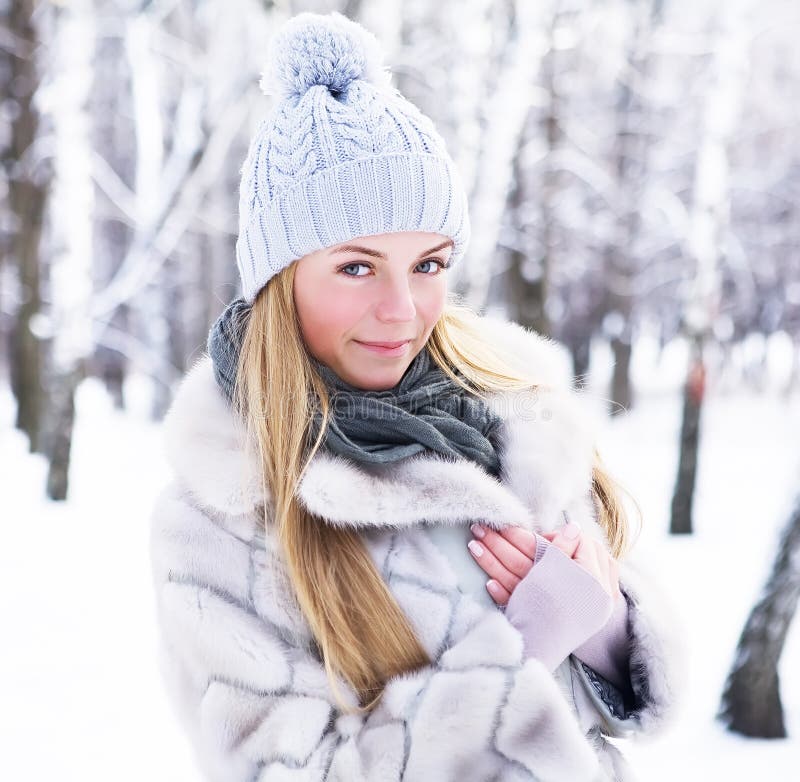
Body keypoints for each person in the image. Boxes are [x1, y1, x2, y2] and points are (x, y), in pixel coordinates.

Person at [149, 11, 683, 782]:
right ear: (279, 279)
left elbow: (609, 698)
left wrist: (602, 633)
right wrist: (519, 646)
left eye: (428, 265)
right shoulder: (223, 515)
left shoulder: (512, 419)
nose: (401, 310)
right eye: (358, 268)